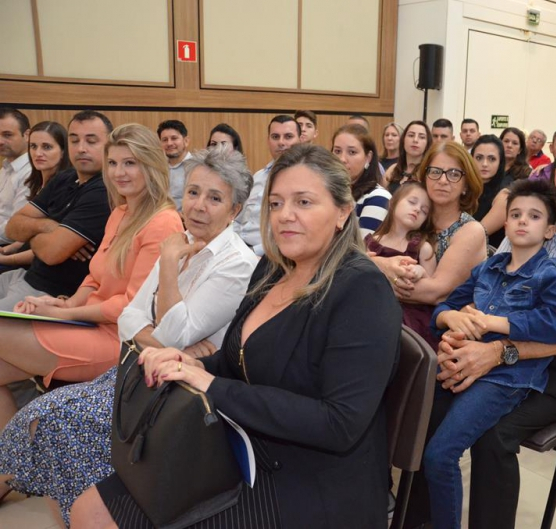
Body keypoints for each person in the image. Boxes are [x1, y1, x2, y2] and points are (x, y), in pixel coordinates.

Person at [70, 144, 403, 528]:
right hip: (242, 444)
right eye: (275, 203)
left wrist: (211, 384)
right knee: (90, 506)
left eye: (304, 202)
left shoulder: (361, 290)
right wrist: (191, 362)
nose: (285, 215)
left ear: (343, 212)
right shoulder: (273, 269)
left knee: (105, 516)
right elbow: (239, 359)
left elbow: (339, 423)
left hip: (312, 482)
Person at [0, 147, 258, 525]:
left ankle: (81, 512)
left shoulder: (236, 264)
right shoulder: (179, 239)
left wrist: (167, 268)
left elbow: (171, 334)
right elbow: (130, 317)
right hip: (136, 370)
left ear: (234, 211)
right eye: (193, 192)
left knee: (52, 425)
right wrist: (157, 336)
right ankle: (74, 514)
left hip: (174, 392)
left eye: (215, 198)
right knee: (40, 419)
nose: (199, 205)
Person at [404, 136, 556, 529]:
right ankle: (420, 518)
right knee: (430, 409)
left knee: (493, 436)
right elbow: (483, 293)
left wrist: (497, 352)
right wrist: (461, 325)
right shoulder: (523, 224)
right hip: (495, 350)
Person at [0, 123, 184, 428]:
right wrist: (64, 304)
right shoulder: (120, 212)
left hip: (121, 340)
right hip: (89, 323)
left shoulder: (163, 222)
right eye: (113, 163)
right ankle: (15, 457)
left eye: (130, 163)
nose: (118, 172)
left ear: (151, 165)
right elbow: (94, 278)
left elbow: (130, 306)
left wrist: (63, 314)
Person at [424, 179, 556, 529]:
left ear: (550, 230)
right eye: (516, 214)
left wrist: (493, 321)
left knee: (440, 455)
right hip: (461, 363)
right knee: (415, 429)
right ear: (505, 223)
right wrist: (452, 317)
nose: (523, 221)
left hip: (505, 380)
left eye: (534, 216)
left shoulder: (554, 274)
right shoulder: (488, 267)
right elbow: (444, 307)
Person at [0, 110, 113, 310]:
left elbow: (52, 253)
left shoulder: (104, 190)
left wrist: (34, 232)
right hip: (23, 276)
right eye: (74, 140)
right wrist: (51, 227)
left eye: (91, 141)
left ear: (109, 145)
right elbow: (13, 228)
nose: (81, 148)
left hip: (49, 293)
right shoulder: (64, 178)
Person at [373, 141, 486, 308]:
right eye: (435, 172)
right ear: (424, 178)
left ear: (466, 185)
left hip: (443, 320)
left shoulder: (470, 230)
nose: (443, 180)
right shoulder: (413, 218)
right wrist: (379, 264)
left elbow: (434, 293)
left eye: (454, 174)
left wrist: (372, 275)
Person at [365, 181, 437, 348]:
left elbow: (430, 287)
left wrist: (420, 270)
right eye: (412, 202)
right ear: (393, 202)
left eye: (424, 211)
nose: (417, 209)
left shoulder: (422, 248)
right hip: (372, 307)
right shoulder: (372, 242)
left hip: (408, 318)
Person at [0, 121, 70, 269]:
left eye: (47, 147)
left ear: (63, 151)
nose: (38, 153)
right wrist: (7, 250)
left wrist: (7, 259)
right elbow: (27, 232)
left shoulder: (65, 187)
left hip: (43, 265)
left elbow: (50, 244)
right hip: (22, 252)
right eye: (33, 146)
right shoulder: (35, 181)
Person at [234, 114, 300, 255]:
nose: (281, 142)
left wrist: (253, 252)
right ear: (268, 141)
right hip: (240, 248)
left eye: (288, 137)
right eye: (275, 137)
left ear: (300, 140)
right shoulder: (258, 176)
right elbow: (238, 221)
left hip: (269, 255)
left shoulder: (304, 181)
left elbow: (292, 231)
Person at [331, 124, 391, 237]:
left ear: (368, 157)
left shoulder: (378, 197)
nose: (342, 159)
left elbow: (363, 246)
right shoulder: (328, 192)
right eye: (337, 151)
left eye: (352, 152)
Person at [471, 135, 512, 248]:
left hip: (488, 254)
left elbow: (478, 235)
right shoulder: (464, 187)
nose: (484, 164)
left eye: (492, 159)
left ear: (500, 162)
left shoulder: (504, 194)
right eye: (479, 158)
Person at [0, 108, 31, 246]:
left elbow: (16, 227)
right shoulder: (5, 168)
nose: (0, 141)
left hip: (9, 247)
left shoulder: (31, 171)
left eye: (7, 135)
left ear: (27, 135)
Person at [384, 120, 432, 193]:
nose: (415, 140)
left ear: (427, 143)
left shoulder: (429, 173)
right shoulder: (392, 169)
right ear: (403, 140)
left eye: (422, 137)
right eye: (411, 135)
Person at [157, 120, 192, 211]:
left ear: (186, 141)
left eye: (174, 138)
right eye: (165, 140)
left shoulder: (196, 167)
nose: (169, 143)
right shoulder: (157, 168)